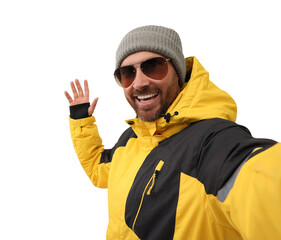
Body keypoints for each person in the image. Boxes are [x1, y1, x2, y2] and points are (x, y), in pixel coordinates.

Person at [64, 25, 281, 240]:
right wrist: (81, 120)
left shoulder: (211, 142)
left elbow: (258, 178)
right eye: (127, 73)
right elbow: (98, 169)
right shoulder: (133, 136)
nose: (139, 83)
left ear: (178, 72)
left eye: (154, 67)